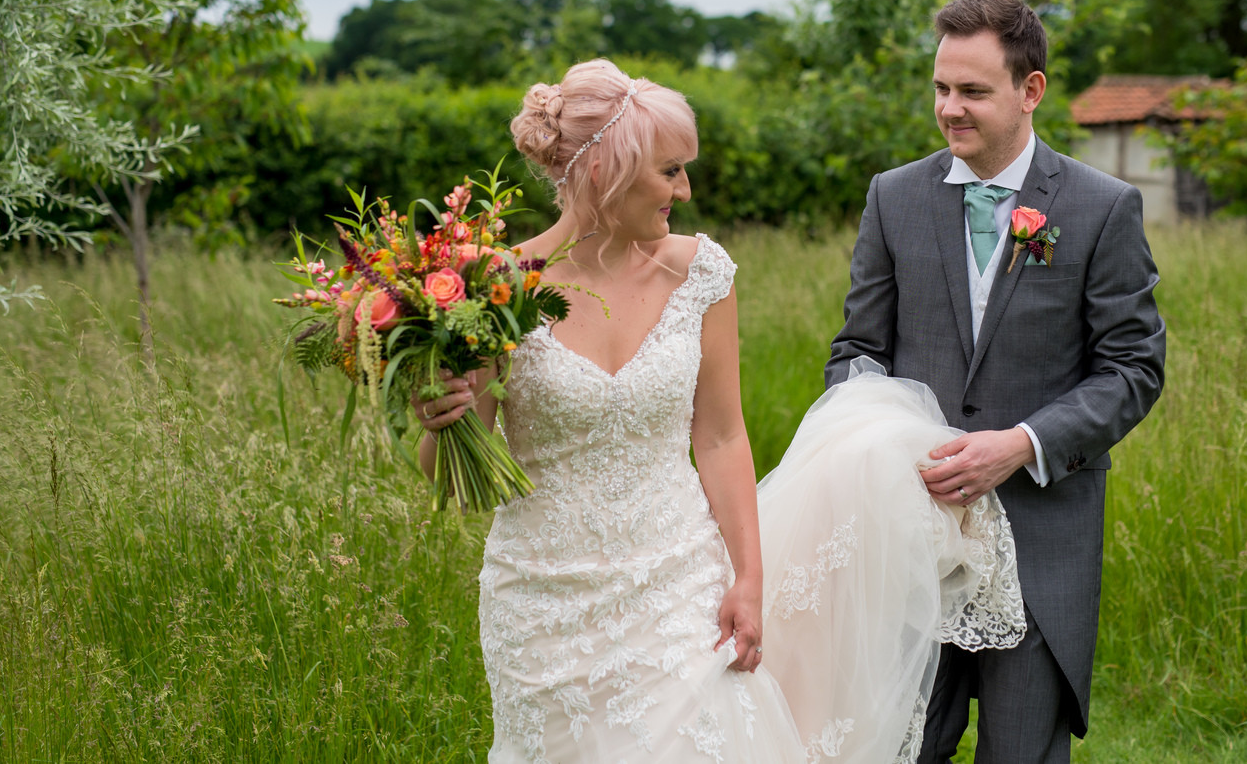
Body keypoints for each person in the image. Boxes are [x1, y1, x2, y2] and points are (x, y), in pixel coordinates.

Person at [415, 58, 1026, 763]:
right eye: (670, 170)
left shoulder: (701, 272)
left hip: (679, 584)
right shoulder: (494, 288)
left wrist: (748, 578)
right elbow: (455, 481)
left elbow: (722, 436)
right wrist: (442, 418)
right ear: (606, 168)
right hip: (542, 601)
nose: (686, 188)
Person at [826, 0, 1167, 763]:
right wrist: (881, 441)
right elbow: (857, 350)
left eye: (973, 91)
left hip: (1042, 542)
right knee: (900, 748)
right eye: (942, 87)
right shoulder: (894, 197)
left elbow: (1134, 366)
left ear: (1030, 89)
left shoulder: (1102, 207)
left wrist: (1021, 443)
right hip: (911, 541)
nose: (950, 108)